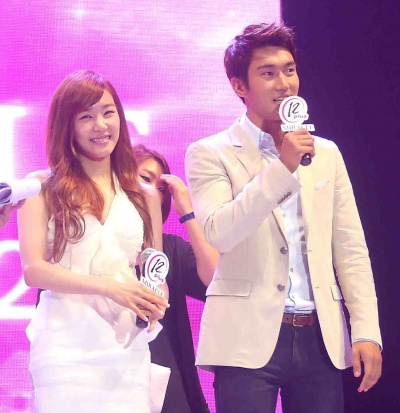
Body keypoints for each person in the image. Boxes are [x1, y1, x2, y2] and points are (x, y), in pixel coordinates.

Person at [184, 23, 382, 413]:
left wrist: (366, 330)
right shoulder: (210, 152)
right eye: (268, 73)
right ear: (239, 86)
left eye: (289, 70)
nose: (284, 84)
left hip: (319, 337)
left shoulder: (326, 153)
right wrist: (282, 167)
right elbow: (220, 232)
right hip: (245, 339)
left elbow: (351, 249)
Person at [18, 70, 169, 413]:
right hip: (64, 348)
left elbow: (155, 271)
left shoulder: (145, 195)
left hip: (126, 348)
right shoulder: (41, 187)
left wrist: (156, 298)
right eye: (86, 117)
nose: (101, 125)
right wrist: (110, 287)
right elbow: (33, 270)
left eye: (108, 112)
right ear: (67, 126)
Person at [133, 144, 218, 413]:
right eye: (145, 179)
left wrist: (188, 213)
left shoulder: (171, 249)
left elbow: (215, 281)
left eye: (161, 189)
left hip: (167, 381)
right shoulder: (95, 240)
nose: (152, 192)